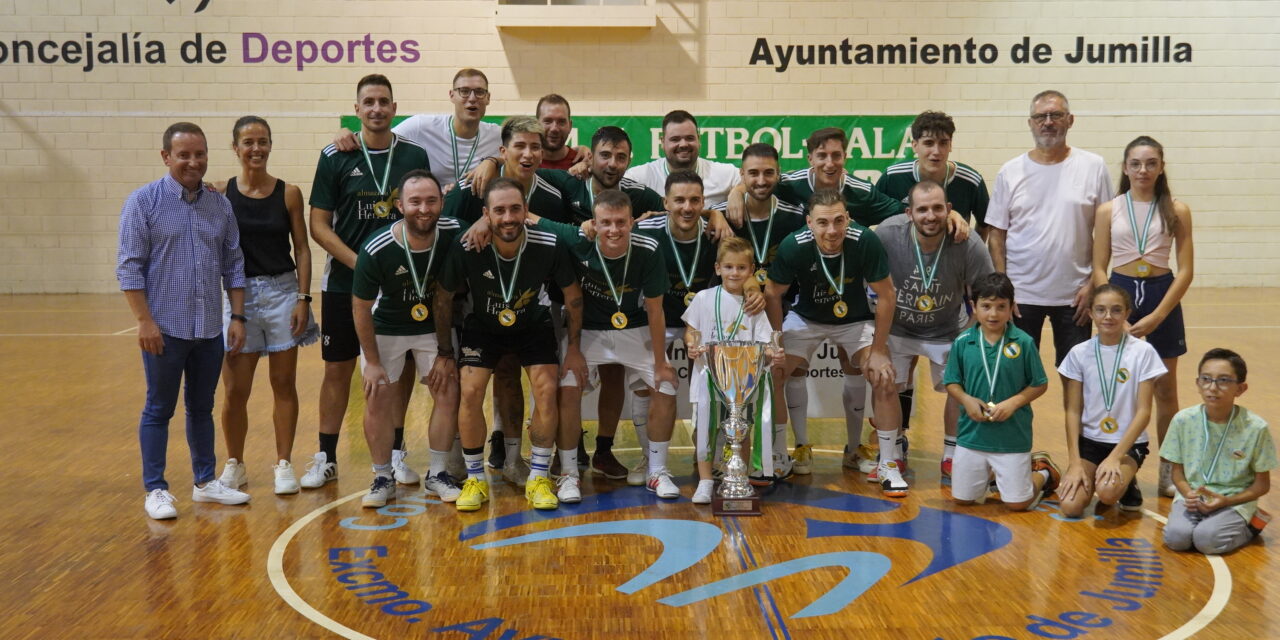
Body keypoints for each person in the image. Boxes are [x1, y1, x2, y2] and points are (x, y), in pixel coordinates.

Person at [117, 122, 251, 519]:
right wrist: (144, 322)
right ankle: (156, 489)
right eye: (184, 155)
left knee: (201, 407)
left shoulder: (219, 204)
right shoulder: (143, 202)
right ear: (166, 157)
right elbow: (129, 268)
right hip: (165, 330)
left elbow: (234, 264)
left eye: (200, 154)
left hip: (209, 328)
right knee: (159, 408)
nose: (193, 162)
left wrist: (237, 316)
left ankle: (206, 482)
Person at [304, 74, 431, 489]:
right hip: (345, 284)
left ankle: (395, 455)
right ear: (357, 109)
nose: (377, 108)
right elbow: (318, 225)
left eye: (384, 101)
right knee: (337, 371)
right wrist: (363, 266)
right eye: (368, 102)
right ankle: (325, 456)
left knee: (397, 372)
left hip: (401, 286)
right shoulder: (335, 155)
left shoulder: (414, 154)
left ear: (394, 108)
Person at [436, 177, 587, 510]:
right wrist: (444, 353)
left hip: (533, 324)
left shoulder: (548, 243)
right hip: (484, 326)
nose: (508, 217)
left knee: (547, 388)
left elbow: (574, 298)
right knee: (471, 389)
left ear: (526, 210)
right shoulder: (467, 245)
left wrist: (574, 349)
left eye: (515, 209)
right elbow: (444, 298)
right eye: (499, 210)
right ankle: (475, 477)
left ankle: (538, 477)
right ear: (486, 214)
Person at [527, 189, 682, 498]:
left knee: (666, 385)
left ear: (632, 223)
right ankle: (569, 473)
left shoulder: (649, 249)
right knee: (568, 386)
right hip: (589, 331)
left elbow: (655, 308)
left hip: (634, 327)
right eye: (606, 222)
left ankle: (656, 471)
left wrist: (662, 361)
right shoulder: (576, 240)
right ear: (593, 223)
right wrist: (572, 349)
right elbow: (531, 218)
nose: (614, 230)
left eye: (621, 222)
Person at [764, 190, 903, 495]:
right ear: (809, 223)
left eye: (839, 221)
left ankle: (886, 463)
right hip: (807, 319)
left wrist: (879, 351)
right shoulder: (794, 245)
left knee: (885, 375)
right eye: (823, 223)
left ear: (848, 219)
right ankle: (780, 453)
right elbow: (773, 293)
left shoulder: (864, 240)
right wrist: (776, 343)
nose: (832, 230)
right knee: (774, 371)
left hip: (854, 319)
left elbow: (887, 294)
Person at [213, 116, 318, 497]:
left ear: (270, 145)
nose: (255, 148)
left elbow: (303, 249)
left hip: (282, 293)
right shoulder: (220, 193)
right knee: (235, 391)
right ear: (235, 148)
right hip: (239, 296)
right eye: (247, 142)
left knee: (283, 384)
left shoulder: (289, 192)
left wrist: (303, 299)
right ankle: (235, 465)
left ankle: (283, 463)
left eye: (262, 141)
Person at [1091, 136, 1194, 498]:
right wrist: (1111, 309)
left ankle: (1170, 470)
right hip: (1119, 293)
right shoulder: (1109, 209)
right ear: (1125, 167)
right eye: (1135, 163)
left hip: (1160, 292)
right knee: (1118, 387)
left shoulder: (1176, 209)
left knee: (1166, 390)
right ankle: (1120, 464)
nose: (1143, 170)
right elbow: (1098, 266)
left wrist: (1158, 314)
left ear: (1161, 167)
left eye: (1151, 163)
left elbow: (1185, 271)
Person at [352, 170, 462, 507]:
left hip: (435, 328)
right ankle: (382, 476)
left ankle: (438, 473)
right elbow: (360, 306)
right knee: (378, 397)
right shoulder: (377, 247)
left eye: (431, 201)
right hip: (386, 327)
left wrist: (485, 225)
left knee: (448, 392)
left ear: (442, 202)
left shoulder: (456, 232)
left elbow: (483, 225)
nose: (424, 209)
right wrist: (371, 362)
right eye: (415, 202)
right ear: (400, 205)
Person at [986, 90, 1113, 382]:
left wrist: (1094, 282)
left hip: (1075, 298)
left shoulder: (1093, 167)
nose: (1048, 122)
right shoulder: (1011, 171)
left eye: (1055, 115)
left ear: (1070, 120)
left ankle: (1077, 430)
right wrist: (1005, 286)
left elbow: (1106, 232)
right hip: (1021, 297)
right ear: (1030, 123)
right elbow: (997, 234)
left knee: (1077, 379)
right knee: (1014, 378)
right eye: (1040, 117)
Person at [873, 180, 994, 483]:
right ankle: (893, 449)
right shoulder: (888, 234)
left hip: (947, 329)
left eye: (938, 208)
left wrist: (974, 339)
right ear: (909, 213)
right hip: (898, 328)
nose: (930, 215)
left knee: (960, 388)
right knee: (886, 381)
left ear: (949, 210)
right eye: (922, 209)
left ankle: (951, 453)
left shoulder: (968, 242)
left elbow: (987, 294)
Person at [943, 272, 1059, 511]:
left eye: (1001, 307)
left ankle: (1043, 473)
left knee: (1018, 504)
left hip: (1012, 436)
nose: (993, 314)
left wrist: (1014, 403)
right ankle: (994, 476)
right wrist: (966, 399)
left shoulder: (1024, 342)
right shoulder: (963, 342)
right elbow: (952, 382)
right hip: (971, 435)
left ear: (1011, 308)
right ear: (974, 307)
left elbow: (1040, 383)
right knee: (962, 500)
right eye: (986, 306)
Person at [684, 238, 783, 503]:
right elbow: (691, 330)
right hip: (709, 375)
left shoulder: (754, 306)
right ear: (717, 268)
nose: (734, 273)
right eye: (728, 267)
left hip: (743, 380)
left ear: (751, 271)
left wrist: (774, 353)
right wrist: (692, 345)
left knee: (742, 427)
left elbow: (765, 342)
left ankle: (736, 476)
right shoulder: (704, 298)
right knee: (705, 427)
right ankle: (705, 481)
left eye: (741, 268)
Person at [1057, 285, 1167, 517]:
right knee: (1070, 506)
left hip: (1128, 444)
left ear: (1127, 314)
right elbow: (1073, 411)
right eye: (1101, 310)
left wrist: (1116, 457)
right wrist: (1075, 462)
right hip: (1090, 442)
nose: (1108, 316)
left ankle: (1127, 483)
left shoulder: (1143, 352)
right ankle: (1098, 471)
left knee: (1107, 493)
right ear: (1090, 313)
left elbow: (1144, 412)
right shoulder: (1079, 353)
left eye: (1116, 310)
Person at [1162, 349, 1276, 555]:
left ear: (1241, 388)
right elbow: (1177, 473)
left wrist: (1227, 501)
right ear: (1198, 383)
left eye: (1223, 380)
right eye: (1206, 379)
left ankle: (1252, 526)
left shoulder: (1256, 428)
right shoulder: (1182, 420)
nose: (1212, 388)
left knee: (1207, 541)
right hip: (1192, 498)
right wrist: (1188, 494)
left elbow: (1262, 485)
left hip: (1234, 500)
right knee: (1176, 538)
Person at [333, 68, 500, 189]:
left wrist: (493, 161)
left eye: (479, 92)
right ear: (451, 95)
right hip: (431, 218)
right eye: (464, 91)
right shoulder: (421, 126)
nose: (472, 99)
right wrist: (345, 133)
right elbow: (380, 140)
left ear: (488, 98)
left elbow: (522, 155)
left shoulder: (497, 135)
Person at [875, 110, 990, 236]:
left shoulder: (971, 180)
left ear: (950, 145)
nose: (936, 151)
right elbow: (872, 213)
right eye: (929, 143)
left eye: (943, 143)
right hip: (903, 253)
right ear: (914, 145)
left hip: (952, 254)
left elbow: (985, 225)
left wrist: (970, 249)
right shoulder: (893, 177)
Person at [624, 110, 741, 207]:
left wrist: (738, 191)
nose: (683, 144)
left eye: (690, 138)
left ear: (699, 140)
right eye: (675, 139)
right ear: (662, 142)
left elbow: (751, 181)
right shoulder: (639, 177)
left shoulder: (724, 174)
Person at [536, 94, 581, 170]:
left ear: (570, 126)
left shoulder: (582, 164)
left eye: (561, 122)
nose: (554, 128)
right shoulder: (527, 164)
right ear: (536, 124)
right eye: (547, 121)